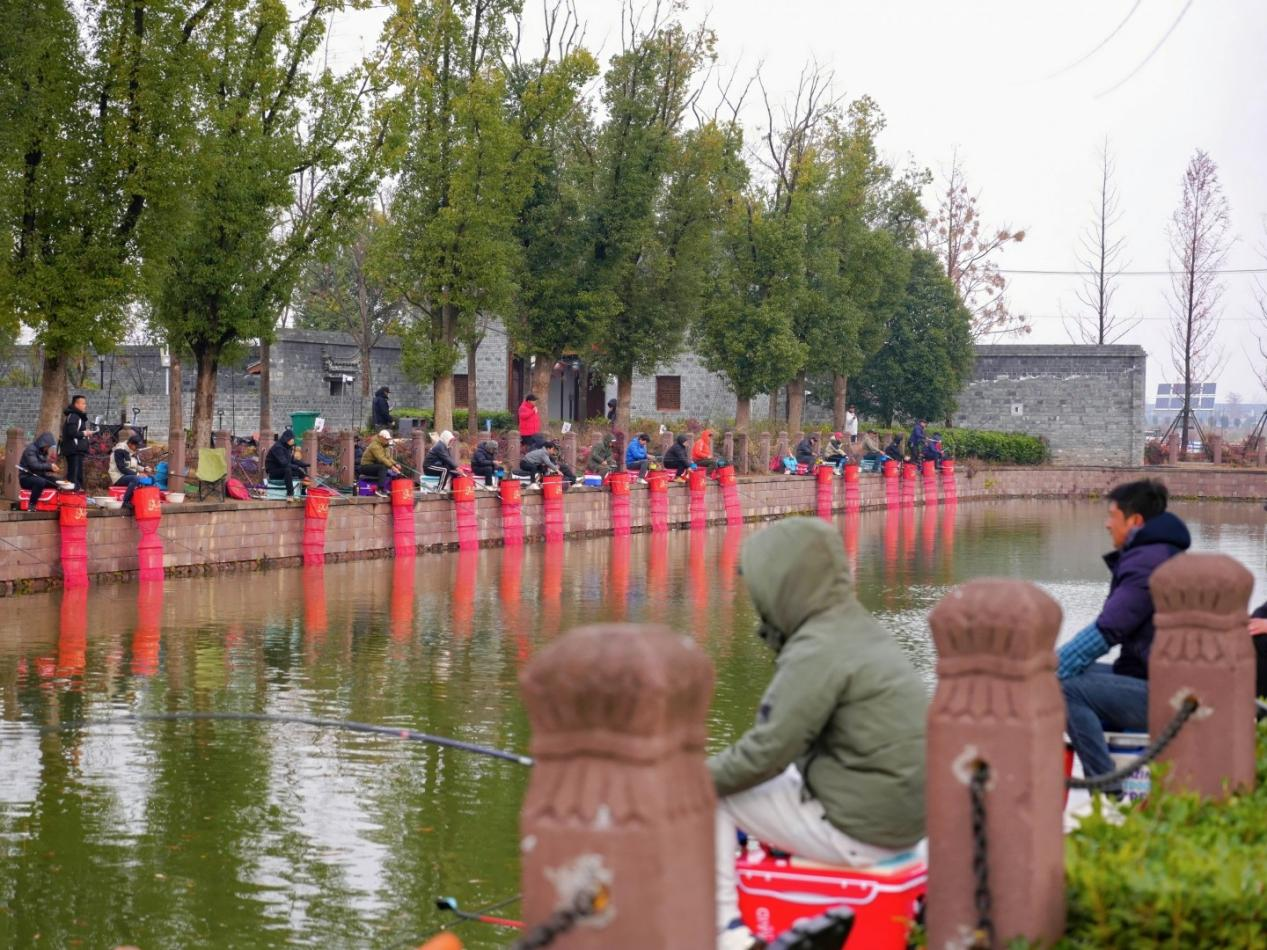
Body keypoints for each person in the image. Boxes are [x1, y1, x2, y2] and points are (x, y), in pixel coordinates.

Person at [710, 518, 927, 950]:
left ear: (786, 583)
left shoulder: (817, 648)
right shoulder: (856, 628)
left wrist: (677, 781)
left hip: (863, 831)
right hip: (904, 822)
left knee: (711, 796)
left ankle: (725, 930)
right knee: (756, 779)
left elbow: (764, 753)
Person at [1058, 479, 1190, 795]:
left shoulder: (1147, 561)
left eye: (1112, 515)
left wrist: (1049, 668)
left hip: (1166, 693)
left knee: (1061, 688)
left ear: (1135, 521)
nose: (1107, 524)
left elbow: (1109, 629)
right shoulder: (1161, 552)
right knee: (1073, 675)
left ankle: (1107, 788)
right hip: (1158, 679)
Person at [108, 433, 150, 511]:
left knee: (150, 479)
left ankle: (144, 500)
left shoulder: (131, 451)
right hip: (118, 477)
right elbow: (122, 468)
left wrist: (144, 469)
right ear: (130, 444)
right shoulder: (120, 450)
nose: (137, 448)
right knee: (136, 478)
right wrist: (137, 474)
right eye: (136, 446)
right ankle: (126, 501)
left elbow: (134, 465)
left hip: (128, 476)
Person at [19, 433, 59, 511]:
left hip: (38, 476)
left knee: (56, 482)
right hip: (26, 478)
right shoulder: (30, 450)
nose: (48, 449)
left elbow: (42, 466)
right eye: (48, 447)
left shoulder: (42, 451)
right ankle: (32, 505)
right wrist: (49, 466)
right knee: (40, 482)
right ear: (43, 444)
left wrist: (51, 468)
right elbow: (34, 465)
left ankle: (53, 504)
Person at [265, 429, 310, 498]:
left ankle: (303, 492)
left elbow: (292, 461)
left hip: (283, 469)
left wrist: (305, 465)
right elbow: (284, 463)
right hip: (274, 471)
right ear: (287, 438)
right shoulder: (277, 447)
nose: (293, 441)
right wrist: (297, 467)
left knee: (303, 469)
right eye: (292, 439)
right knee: (288, 469)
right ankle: (290, 494)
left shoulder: (288, 447)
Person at [360, 429, 405, 496]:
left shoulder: (385, 446)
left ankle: (388, 488)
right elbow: (381, 458)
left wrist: (395, 464)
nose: (387, 441)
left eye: (388, 439)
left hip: (375, 466)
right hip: (366, 467)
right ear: (381, 437)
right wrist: (392, 467)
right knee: (383, 467)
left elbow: (388, 458)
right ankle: (380, 489)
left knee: (389, 471)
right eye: (386, 439)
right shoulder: (374, 445)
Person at [60, 394, 91, 490]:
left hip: (78, 450)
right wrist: (84, 433)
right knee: (74, 475)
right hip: (74, 450)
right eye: (83, 403)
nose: (85, 405)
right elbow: (72, 432)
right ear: (76, 404)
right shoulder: (73, 416)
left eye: (85, 403)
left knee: (78, 474)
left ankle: (78, 491)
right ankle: (74, 492)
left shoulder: (78, 416)